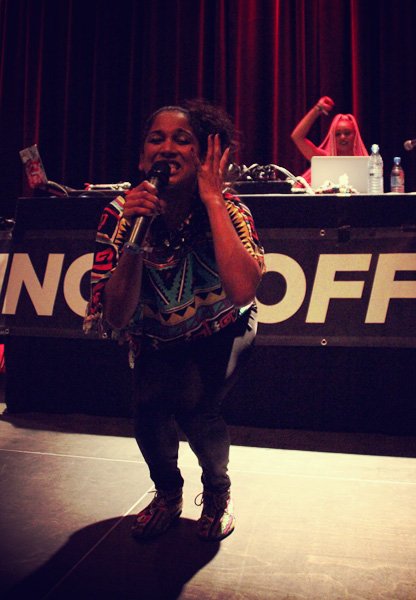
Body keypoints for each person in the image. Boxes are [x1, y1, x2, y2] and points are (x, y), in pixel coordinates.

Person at [84, 99, 265, 542]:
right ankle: (168, 493)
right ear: (142, 158)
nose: (167, 148)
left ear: (202, 156)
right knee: (147, 413)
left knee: (196, 407)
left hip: (223, 324)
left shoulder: (228, 208)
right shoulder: (121, 214)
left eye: (181, 139)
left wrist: (213, 199)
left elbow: (243, 290)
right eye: (156, 139)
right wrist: (135, 235)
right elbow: (116, 314)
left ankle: (217, 492)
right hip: (157, 333)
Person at [291, 95, 368, 184]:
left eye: (347, 133)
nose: (342, 137)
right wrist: (318, 108)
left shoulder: (368, 163)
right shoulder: (323, 159)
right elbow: (297, 136)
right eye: (337, 134)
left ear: (355, 135)